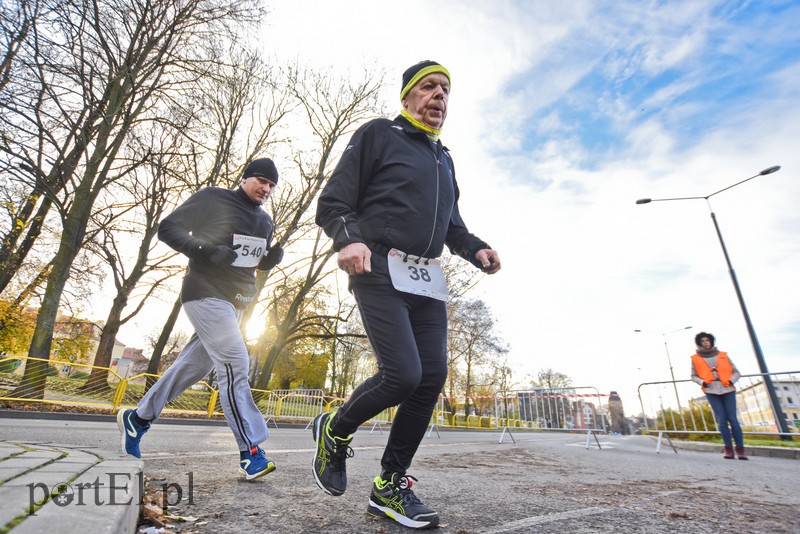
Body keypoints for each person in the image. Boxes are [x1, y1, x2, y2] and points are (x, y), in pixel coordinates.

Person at [313, 60, 501, 529]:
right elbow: (333, 200)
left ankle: (389, 486)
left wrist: (476, 248)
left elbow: (452, 225)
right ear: (408, 97)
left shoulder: (444, 158)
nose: (440, 96)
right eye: (430, 87)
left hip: (426, 279)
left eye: (446, 90)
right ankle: (334, 430)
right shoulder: (380, 134)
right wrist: (347, 238)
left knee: (431, 376)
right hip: (377, 263)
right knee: (402, 374)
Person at [116, 158, 285, 480]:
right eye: (261, 180)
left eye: (271, 185)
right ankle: (251, 451)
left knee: (194, 366)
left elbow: (252, 262)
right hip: (204, 292)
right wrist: (205, 249)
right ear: (245, 178)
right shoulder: (213, 198)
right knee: (236, 362)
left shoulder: (265, 221)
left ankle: (137, 419)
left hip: (237, 302)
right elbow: (167, 228)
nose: (266, 188)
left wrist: (268, 261)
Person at [690, 331, 748, 460]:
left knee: (733, 419)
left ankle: (740, 449)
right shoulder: (695, 358)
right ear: (700, 343)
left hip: (728, 389)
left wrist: (732, 380)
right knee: (722, 420)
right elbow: (693, 376)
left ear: (711, 342)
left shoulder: (723, 355)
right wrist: (702, 382)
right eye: (703, 341)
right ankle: (728, 449)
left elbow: (736, 372)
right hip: (711, 391)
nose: (706, 343)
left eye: (707, 340)